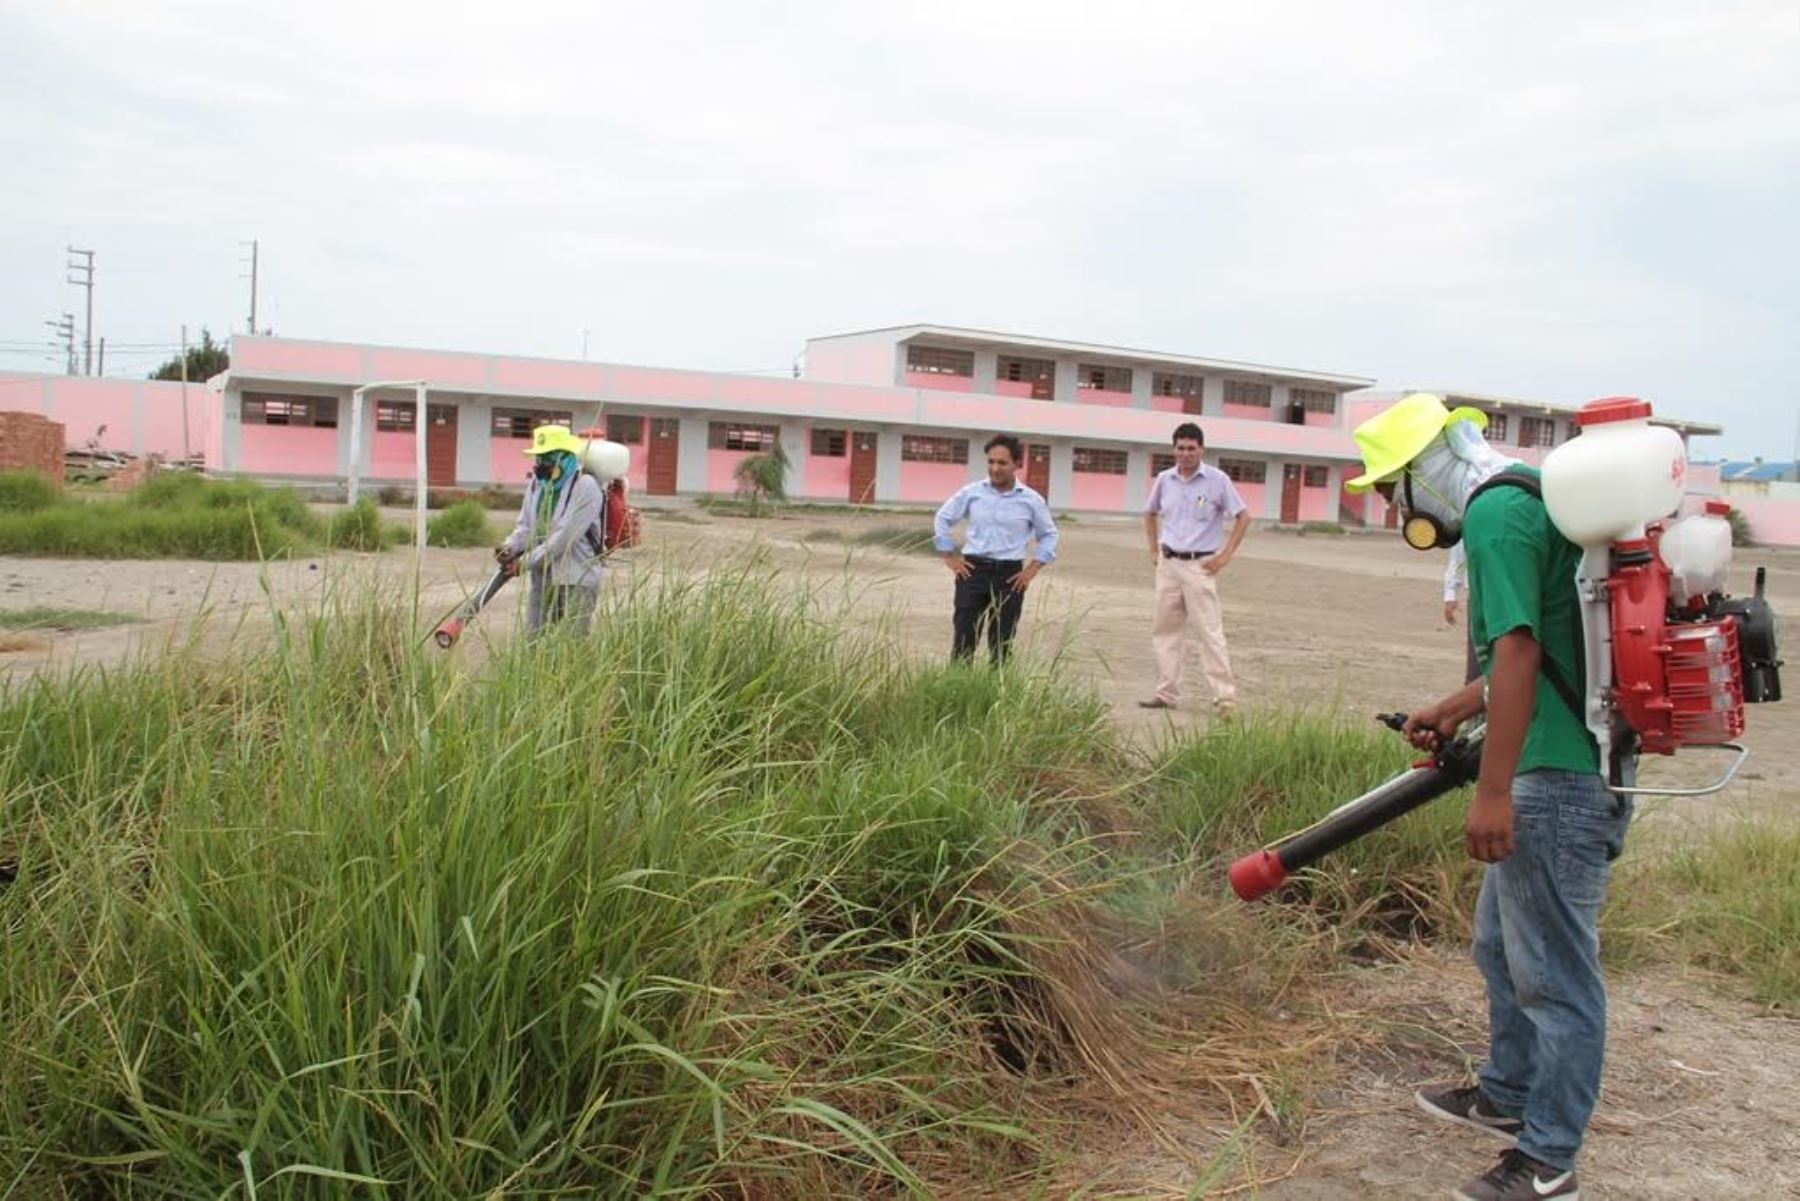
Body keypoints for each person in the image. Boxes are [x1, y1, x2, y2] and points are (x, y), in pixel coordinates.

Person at [1346, 393, 1626, 1201]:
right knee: (1501, 947)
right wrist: (1450, 707)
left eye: (1395, 490)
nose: (1401, 510)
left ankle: (1548, 1159)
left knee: (1556, 976)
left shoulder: (1498, 516)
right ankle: (1506, 1095)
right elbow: (1540, 644)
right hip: (1556, 760)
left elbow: (1520, 653)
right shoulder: (1527, 495)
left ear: (1423, 475)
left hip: (1559, 779)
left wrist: (1492, 793)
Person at [1138, 422, 1251, 716]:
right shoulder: (1165, 479)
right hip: (1168, 563)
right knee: (1165, 631)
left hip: (1200, 566)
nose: (1185, 453)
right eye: (1180, 448)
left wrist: (1226, 555)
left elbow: (1243, 516)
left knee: (1209, 632)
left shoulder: (1217, 480)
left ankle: (1225, 699)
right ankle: (1166, 693)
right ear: (1173, 449)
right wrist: (1152, 549)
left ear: (1201, 449)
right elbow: (1149, 513)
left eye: (1191, 448)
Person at [932, 434, 1059, 663]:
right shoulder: (973, 493)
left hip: (1010, 576)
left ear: (1017, 464)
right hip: (972, 570)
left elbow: (1049, 535)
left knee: (1002, 643)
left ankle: (998, 694)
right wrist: (948, 556)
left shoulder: (1031, 500)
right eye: (991, 462)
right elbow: (943, 518)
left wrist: (1032, 570)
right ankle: (958, 692)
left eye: (1002, 462)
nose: (995, 468)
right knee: (963, 639)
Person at [498, 424, 607, 637]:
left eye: (548, 457)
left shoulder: (586, 486)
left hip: (577, 576)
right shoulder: (538, 484)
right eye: (539, 457)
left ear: (564, 456)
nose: (541, 464)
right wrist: (509, 547)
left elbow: (564, 539)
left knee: (572, 643)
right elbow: (526, 527)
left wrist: (524, 563)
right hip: (543, 573)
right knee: (535, 636)